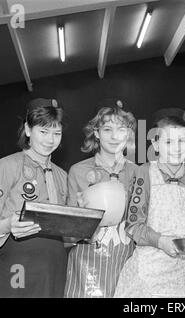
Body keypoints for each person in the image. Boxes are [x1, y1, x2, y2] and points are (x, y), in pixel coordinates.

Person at [0, 98, 68, 297]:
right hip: (19, 262)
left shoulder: (63, 175)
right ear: (28, 130)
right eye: (44, 131)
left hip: (56, 266)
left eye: (57, 133)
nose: (50, 140)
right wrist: (5, 225)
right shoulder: (7, 166)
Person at [114, 108, 185, 297]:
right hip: (148, 275)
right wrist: (161, 241)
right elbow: (133, 226)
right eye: (168, 142)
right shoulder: (145, 173)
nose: (177, 147)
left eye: (182, 141)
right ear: (156, 145)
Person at [64, 99, 138, 298]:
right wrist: (80, 219)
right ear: (96, 133)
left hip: (127, 263)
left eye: (121, 129)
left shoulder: (139, 173)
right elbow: (68, 234)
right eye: (107, 130)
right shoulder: (78, 171)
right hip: (85, 265)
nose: (115, 137)